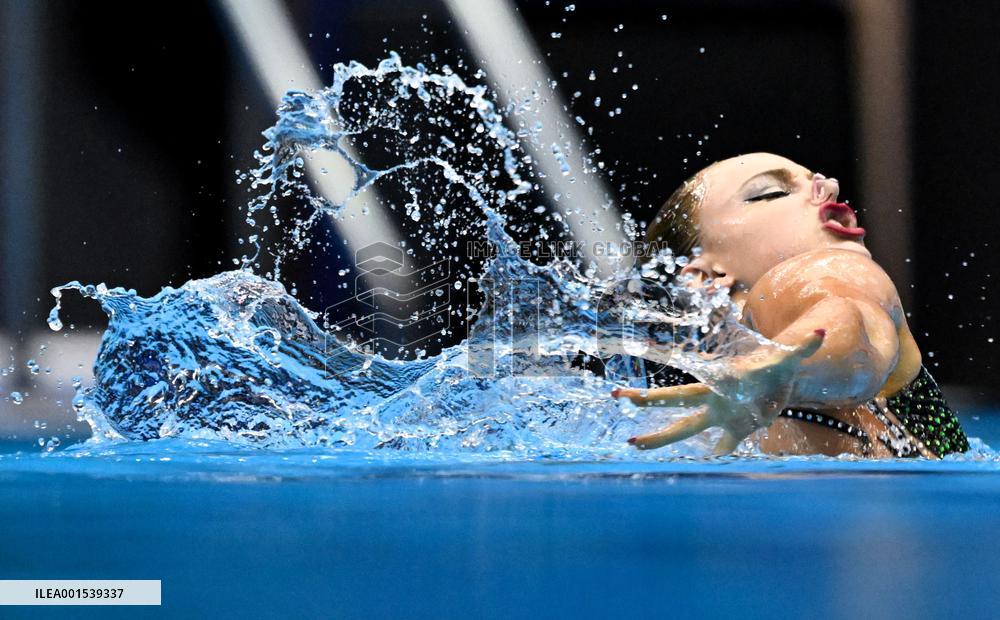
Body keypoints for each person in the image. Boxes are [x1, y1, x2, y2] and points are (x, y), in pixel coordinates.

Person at [611, 152, 968, 458]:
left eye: (817, 179)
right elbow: (841, 328)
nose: (829, 186)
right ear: (707, 278)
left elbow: (847, 327)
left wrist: (777, 370)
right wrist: (772, 371)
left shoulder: (693, 425)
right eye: (772, 192)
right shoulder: (736, 397)